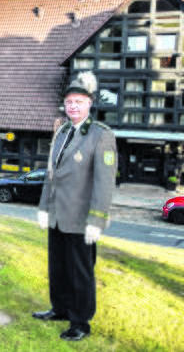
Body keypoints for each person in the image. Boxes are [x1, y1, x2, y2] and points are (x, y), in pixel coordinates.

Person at [33, 71, 117, 341]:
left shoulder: (100, 135)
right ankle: (60, 309)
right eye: (69, 102)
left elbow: (104, 183)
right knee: (57, 267)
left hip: (81, 220)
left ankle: (80, 322)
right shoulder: (61, 132)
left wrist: (97, 220)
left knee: (80, 272)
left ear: (89, 104)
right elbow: (50, 175)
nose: (73, 106)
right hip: (58, 216)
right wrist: (44, 208)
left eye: (79, 101)